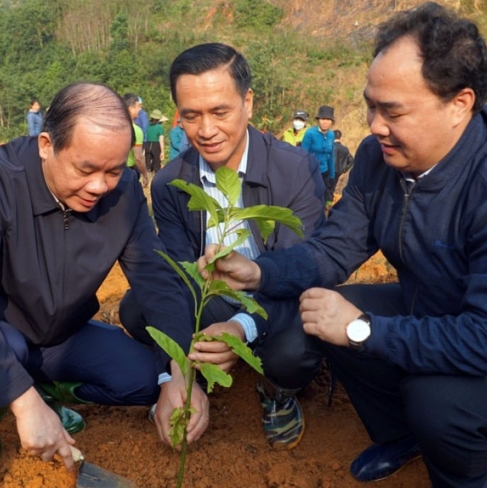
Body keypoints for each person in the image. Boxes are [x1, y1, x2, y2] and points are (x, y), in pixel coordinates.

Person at [201, 3, 487, 488]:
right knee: (321, 314)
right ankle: (405, 436)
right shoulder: (380, 158)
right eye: (370, 106)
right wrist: (261, 273)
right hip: (444, 306)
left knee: (434, 393)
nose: (375, 127)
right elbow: (334, 248)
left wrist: (359, 329)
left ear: (461, 104)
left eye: (393, 112)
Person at [0, 82, 199, 488]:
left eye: (114, 170)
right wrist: (23, 402)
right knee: (7, 349)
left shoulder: (123, 193)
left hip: (58, 336)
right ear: (47, 145)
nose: (100, 186)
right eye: (86, 169)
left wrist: (181, 371)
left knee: (148, 379)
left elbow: (157, 281)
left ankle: (44, 390)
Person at [119, 42, 326, 451]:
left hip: (279, 298)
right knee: (137, 308)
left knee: (298, 347)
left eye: (220, 112)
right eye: (191, 116)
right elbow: (179, 276)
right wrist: (175, 373)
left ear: (248, 103)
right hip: (212, 297)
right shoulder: (171, 184)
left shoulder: (294, 170)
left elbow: (302, 271)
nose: (206, 130)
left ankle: (276, 389)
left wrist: (241, 329)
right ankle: (195, 374)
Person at [301, 105, 335, 205]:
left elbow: (331, 155)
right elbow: (303, 154)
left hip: (324, 173)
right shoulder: (310, 133)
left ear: (332, 122)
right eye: (323, 119)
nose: (325, 122)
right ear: (318, 120)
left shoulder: (331, 135)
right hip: (311, 173)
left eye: (328, 119)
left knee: (322, 202)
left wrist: (332, 176)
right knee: (311, 201)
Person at [122, 93, 149, 187]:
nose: (140, 109)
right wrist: (145, 174)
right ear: (130, 108)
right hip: (129, 171)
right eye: (138, 106)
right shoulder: (136, 130)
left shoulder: (113, 126)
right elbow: (138, 157)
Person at [144, 109, 166, 174]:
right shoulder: (159, 127)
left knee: (147, 163)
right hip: (156, 145)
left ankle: (146, 177)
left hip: (147, 144)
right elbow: (161, 140)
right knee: (156, 164)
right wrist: (162, 152)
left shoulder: (147, 125)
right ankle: (155, 178)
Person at [332, 129, 353, 195]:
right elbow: (351, 160)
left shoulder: (330, 147)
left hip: (328, 171)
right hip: (338, 172)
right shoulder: (345, 149)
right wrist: (344, 169)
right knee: (332, 188)